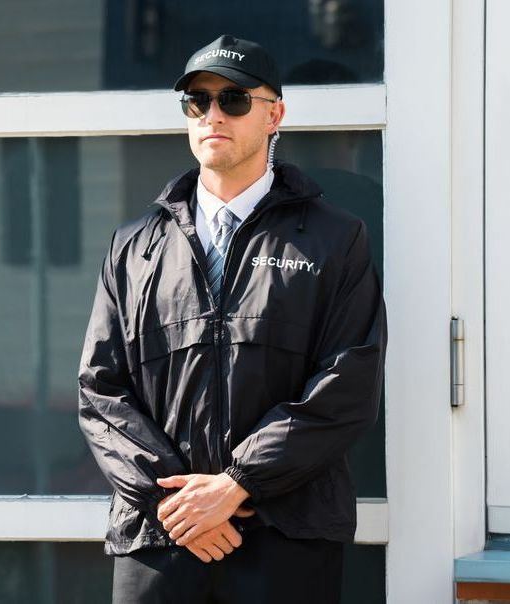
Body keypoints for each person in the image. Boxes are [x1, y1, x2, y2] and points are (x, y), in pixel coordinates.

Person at [76, 34, 387, 603]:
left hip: (286, 534)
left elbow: (349, 384)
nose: (213, 113)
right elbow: (101, 392)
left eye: (234, 99)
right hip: (160, 536)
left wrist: (237, 484)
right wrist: (174, 502)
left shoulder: (334, 239)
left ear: (276, 115)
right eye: (198, 101)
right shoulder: (134, 246)